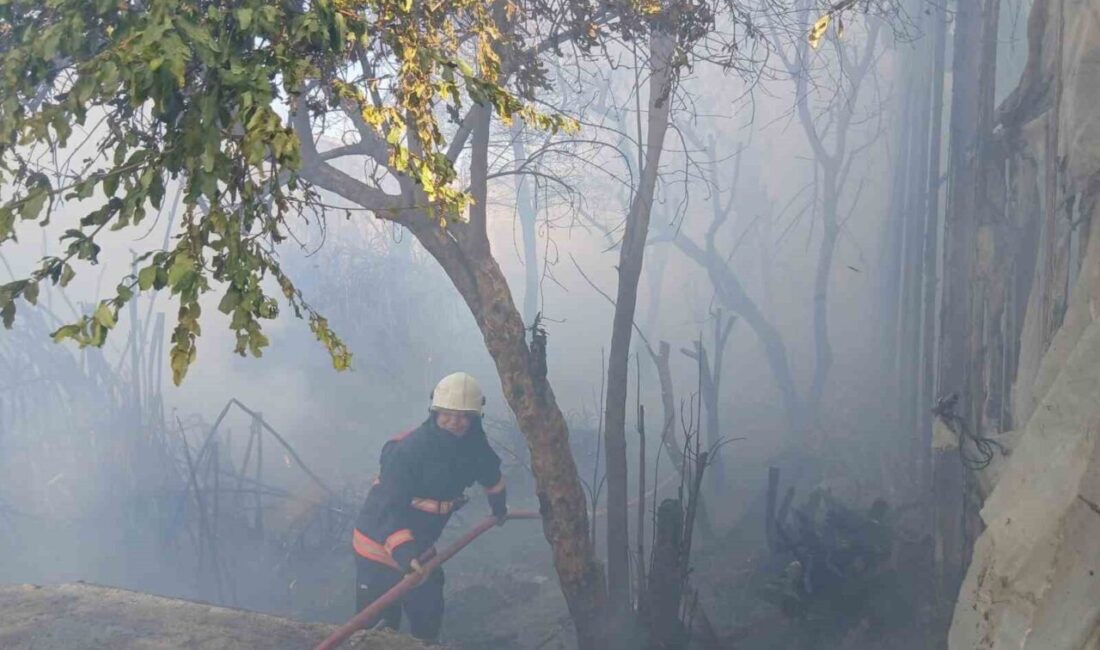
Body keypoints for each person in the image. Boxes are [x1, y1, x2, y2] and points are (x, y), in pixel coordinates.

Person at [352, 372, 508, 642]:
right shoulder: (408, 451)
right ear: (434, 412)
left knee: (428, 615)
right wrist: (404, 553)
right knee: (378, 629)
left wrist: (499, 507)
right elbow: (390, 508)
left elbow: (490, 474)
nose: (454, 423)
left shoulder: (474, 445)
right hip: (377, 547)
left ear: (474, 418)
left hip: (420, 546)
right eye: (446, 414)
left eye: (462, 416)